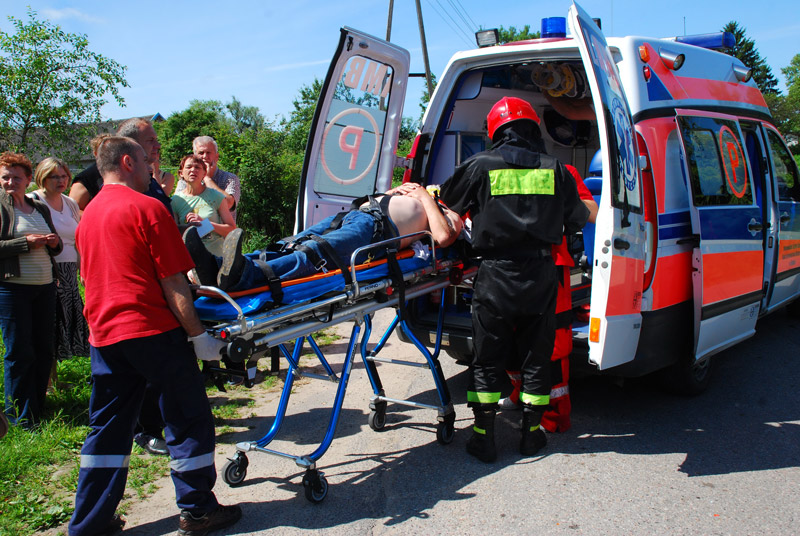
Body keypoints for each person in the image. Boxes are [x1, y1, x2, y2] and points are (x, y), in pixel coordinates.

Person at [68, 136, 241, 536]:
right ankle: (198, 510)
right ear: (128, 162)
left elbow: (89, 278)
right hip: (152, 330)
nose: (153, 168)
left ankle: (89, 523)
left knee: (107, 428)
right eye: (147, 160)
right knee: (186, 416)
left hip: (104, 335)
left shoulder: (87, 216)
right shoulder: (147, 208)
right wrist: (198, 336)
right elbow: (173, 281)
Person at [438, 97, 589, 462]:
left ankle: (483, 439)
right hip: (541, 275)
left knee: (488, 359)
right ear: (533, 129)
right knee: (537, 357)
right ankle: (531, 435)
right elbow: (578, 218)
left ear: (496, 131)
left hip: (496, 275)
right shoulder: (556, 169)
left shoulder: (479, 165)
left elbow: (447, 207)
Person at [184, 181, 462, 292]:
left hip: (375, 230)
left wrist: (425, 196)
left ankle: (244, 276)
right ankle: (219, 266)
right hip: (356, 215)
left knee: (312, 254)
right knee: (291, 243)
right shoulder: (421, 195)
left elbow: (443, 237)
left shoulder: (449, 213)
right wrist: (393, 192)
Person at [498, 163, 598, 434]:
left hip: (551, 265)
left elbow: (593, 211)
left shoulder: (562, 171)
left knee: (553, 344)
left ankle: (555, 416)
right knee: (510, 337)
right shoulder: (494, 169)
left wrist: (559, 201)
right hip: (506, 267)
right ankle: (520, 392)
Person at [0, 152, 63, 428]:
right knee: (19, 351)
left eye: (16, 177)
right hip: (12, 289)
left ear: (28, 180)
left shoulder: (38, 207)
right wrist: (25, 243)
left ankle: (37, 407)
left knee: (43, 349)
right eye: (5, 177)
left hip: (44, 286)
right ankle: (18, 416)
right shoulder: (1, 207)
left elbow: (56, 247)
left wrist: (53, 243)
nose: (10, 182)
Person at [30, 158, 91, 367]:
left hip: (70, 273)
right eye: (54, 177)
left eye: (64, 176)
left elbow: (77, 240)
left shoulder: (70, 203)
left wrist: (83, 269)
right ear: (42, 177)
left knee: (64, 323)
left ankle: (55, 377)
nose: (61, 181)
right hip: (47, 272)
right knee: (49, 325)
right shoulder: (33, 201)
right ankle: (46, 378)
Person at [171, 155, 236, 256]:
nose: (193, 170)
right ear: (181, 173)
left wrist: (206, 224)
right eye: (188, 167)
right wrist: (188, 227)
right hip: (189, 258)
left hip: (215, 257)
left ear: (204, 173)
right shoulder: (175, 200)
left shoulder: (216, 196)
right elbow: (172, 233)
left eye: (197, 167)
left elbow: (232, 230)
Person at [176, 136, 241, 222]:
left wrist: (207, 178)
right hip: (191, 228)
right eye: (201, 153)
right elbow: (178, 206)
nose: (205, 156)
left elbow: (229, 204)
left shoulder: (229, 178)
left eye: (208, 153)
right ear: (195, 156)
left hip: (222, 229)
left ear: (216, 157)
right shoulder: (185, 180)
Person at [69, 134, 111, 213]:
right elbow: (73, 210)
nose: (109, 154)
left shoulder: (125, 173)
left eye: (111, 150)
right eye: (104, 151)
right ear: (96, 153)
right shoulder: (85, 179)